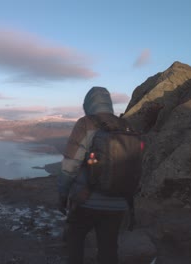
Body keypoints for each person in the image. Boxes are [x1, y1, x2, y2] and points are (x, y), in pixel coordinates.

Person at [57, 86, 128, 264]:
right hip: (118, 202)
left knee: (75, 241)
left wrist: (63, 194)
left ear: (88, 103)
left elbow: (70, 164)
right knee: (109, 248)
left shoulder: (86, 123)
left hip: (86, 200)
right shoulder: (126, 125)